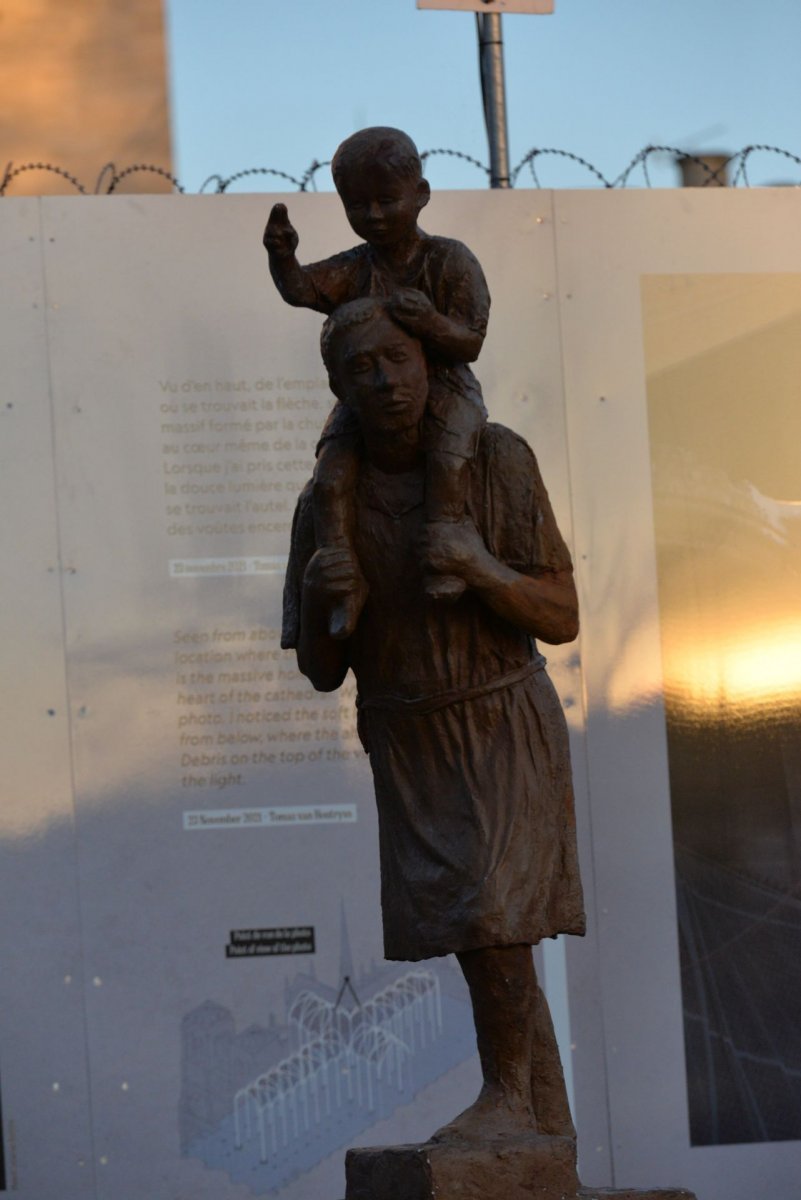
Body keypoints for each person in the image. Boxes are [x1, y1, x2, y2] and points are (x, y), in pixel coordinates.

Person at [282, 297, 585, 1144]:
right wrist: (320, 596)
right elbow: (318, 670)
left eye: (399, 360)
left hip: (495, 714)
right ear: (337, 387)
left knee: (494, 912)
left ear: (428, 362)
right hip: (406, 732)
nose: (384, 382)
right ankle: (539, 1124)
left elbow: (560, 615)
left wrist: (480, 567)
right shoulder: (325, 505)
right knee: (476, 930)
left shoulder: (493, 462)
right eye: (361, 370)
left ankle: (505, 1100)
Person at [265, 127, 490, 639]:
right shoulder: (355, 267)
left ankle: (445, 553)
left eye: (387, 200)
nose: (375, 216)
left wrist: (432, 323)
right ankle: (345, 582)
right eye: (358, 205)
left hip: (445, 388)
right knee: (330, 477)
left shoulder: (450, 260)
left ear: (421, 195)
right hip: (369, 400)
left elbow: (471, 341)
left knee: (450, 459)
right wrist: (283, 258)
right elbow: (303, 289)